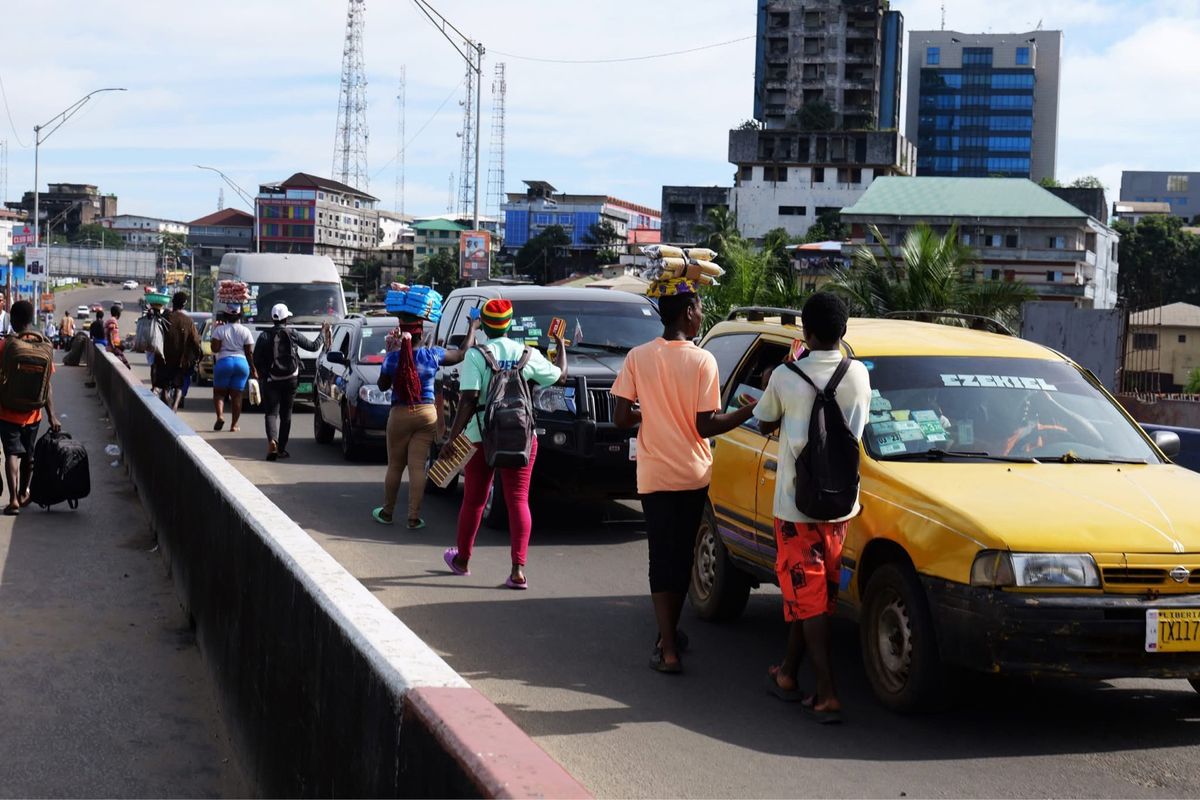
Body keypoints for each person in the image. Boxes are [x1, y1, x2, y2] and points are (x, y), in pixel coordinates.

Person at [612, 277, 757, 674]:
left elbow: (621, 417)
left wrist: (652, 411)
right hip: (693, 475)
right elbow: (706, 425)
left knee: (661, 556)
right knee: (683, 555)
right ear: (688, 312)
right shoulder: (702, 360)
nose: (702, 315)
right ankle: (669, 636)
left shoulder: (638, 357)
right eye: (698, 308)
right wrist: (751, 411)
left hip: (654, 474)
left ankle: (669, 644)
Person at [754, 292, 871, 724]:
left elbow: (765, 420)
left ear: (807, 331)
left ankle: (827, 693)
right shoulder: (859, 374)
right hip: (842, 505)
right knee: (816, 597)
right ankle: (787, 674)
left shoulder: (786, 375)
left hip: (796, 508)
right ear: (843, 331)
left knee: (809, 597)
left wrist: (776, 376)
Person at [439, 299, 566, 588]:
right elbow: (560, 376)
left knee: (473, 500)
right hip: (521, 437)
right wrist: (561, 346)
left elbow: (468, 399)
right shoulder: (527, 353)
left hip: (480, 437)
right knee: (518, 500)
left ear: (483, 325)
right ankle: (518, 571)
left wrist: (452, 437)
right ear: (510, 324)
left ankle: (462, 560)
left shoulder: (475, 355)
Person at [372, 310, 478, 529]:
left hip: (400, 414)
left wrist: (391, 352)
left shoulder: (393, 358)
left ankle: (387, 513)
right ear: (421, 334)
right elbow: (462, 353)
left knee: (395, 466)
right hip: (427, 414)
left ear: (402, 333)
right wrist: (472, 328)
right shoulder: (432, 355)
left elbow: (382, 385)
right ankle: (413, 517)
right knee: (418, 467)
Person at [0, 300, 61, 515]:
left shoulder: (6, 345)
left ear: (14, 320)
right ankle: (26, 493)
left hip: (7, 411)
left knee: (12, 454)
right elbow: (48, 384)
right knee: (28, 456)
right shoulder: (42, 346)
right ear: (30, 320)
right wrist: (52, 416)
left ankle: (13, 498)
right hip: (33, 414)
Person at [253, 302, 327, 461]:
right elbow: (313, 347)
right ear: (286, 318)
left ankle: (272, 441)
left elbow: (256, 358)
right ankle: (281, 449)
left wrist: (264, 374)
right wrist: (322, 332)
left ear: (273, 319)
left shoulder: (264, 335)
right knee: (286, 415)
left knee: (271, 414)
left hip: (271, 380)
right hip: (291, 379)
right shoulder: (292, 333)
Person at [210, 304, 258, 433]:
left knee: (219, 393)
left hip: (224, 362)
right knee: (237, 396)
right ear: (239, 315)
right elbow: (249, 353)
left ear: (226, 316)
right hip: (241, 364)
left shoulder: (219, 330)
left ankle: (220, 416)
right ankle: (234, 425)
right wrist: (253, 369)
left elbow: (214, 349)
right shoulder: (245, 331)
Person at [158, 292, 202, 411]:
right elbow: (195, 341)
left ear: (173, 303)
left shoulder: (165, 318)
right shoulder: (188, 321)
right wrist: (198, 356)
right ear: (184, 305)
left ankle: (167, 404)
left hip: (164, 358)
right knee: (178, 387)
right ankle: (175, 407)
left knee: (165, 387)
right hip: (181, 360)